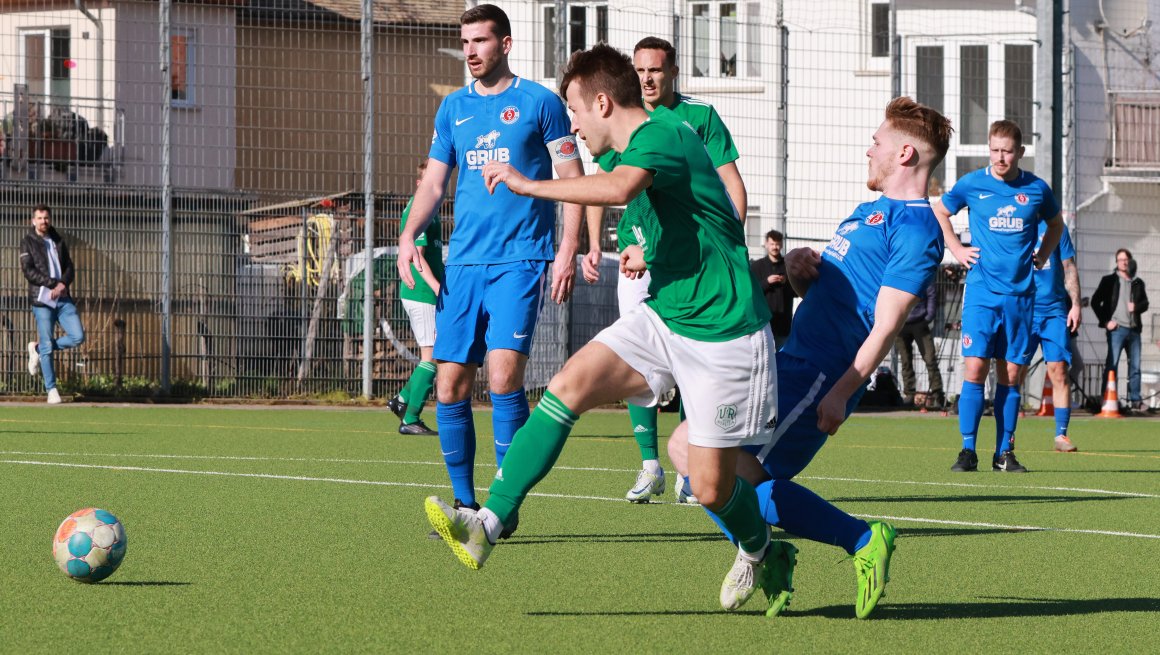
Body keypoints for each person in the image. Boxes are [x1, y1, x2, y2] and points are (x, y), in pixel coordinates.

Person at [426, 43, 781, 613]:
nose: (570, 123)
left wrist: (525, 184)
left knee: (712, 487)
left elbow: (615, 191)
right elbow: (617, 191)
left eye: (573, 110)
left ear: (600, 101)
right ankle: (487, 523)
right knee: (567, 386)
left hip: (725, 330)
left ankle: (760, 548)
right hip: (667, 314)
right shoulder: (630, 149)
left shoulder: (664, 133)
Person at [669, 96, 952, 619]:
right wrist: (801, 271)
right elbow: (831, 292)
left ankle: (854, 539)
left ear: (906, 154)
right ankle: (774, 547)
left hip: (820, 374)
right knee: (700, 461)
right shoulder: (868, 211)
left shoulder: (916, 228)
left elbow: (886, 323)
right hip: (789, 360)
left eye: (878, 142)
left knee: (699, 456)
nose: (869, 149)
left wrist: (843, 391)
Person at [396, 4, 584, 536]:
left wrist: (568, 247)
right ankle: (464, 506)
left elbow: (572, 177)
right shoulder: (452, 109)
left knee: (504, 377)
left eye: (480, 41)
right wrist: (409, 234)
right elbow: (433, 184)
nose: (471, 52)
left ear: (505, 43)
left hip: (521, 260)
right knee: (450, 386)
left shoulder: (539, 103)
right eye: (466, 43)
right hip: (464, 263)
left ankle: (503, 502)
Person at [583, 36, 749, 505]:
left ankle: (690, 471)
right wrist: (595, 244)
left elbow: (733, 186)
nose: (647, 78)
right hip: (637, 256)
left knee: (692, 361)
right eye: (639, 70)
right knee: (638, 360)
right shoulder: (623, 118)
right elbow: (604, 184)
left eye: (655, 70)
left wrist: (727, 245)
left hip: (690, 259)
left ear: (673, 72)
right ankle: (649, 465)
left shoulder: (698, 119)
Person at [934, 120, 1062, 474]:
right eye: (994, 150)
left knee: (1011, 374)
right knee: (975, 367)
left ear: (1020, 152)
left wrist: (1043, 253)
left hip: (1021, 297)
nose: (1000, 157)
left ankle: (1004, 452)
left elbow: (1056, 225)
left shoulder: (1036, 189)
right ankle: (967, 451)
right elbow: (940, 211)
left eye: (1007, 151)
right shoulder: (973, 184)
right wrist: (956, 248)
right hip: (981, 293)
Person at [387, 162, 443, 436]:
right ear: (420, 183)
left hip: (422, 293)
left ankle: (402, 400)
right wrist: (435, 286)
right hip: (420, 292)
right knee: (431, 357)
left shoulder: (430, 210)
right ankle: (410, 418)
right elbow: (416, 254)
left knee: (433, 353)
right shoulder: (417, 209)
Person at [20, 204, 85, 405]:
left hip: (63, 298)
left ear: (50, 219)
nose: (43, 221)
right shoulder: (27, 242)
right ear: (33, 221)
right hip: (42, 300)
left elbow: (69, 267)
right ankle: (51, 389)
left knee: (78, 336)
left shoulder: (58, 239)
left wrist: (63, 283)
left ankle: (37, 349)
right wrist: (52, 284)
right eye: (39, 218)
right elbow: (28, 271)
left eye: (46, 218)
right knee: (48, 343)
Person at [1031, 221, 1082, 449]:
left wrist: (1076, 305)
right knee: (1014, 372)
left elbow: (1068, 265)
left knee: (1059, 370)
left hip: (1054, 310)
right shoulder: (1015, 223)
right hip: (1023, 307)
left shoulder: (1056, 227)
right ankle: (1006, 439)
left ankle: (1061, 435)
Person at [1091, 248, 1150, 412]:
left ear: (1130, 261)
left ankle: (1136, 400)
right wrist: (1105, 321)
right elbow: (1095, 302)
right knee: (1112, 364)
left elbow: (1145, 304)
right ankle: (1107, 398)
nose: (1123, 262)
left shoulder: (1137, 282)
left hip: (1134, 330)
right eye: (1120, 260)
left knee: (1135, 367)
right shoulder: (1109, 280)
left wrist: (1136, 307)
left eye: (1126, 259)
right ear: (1117, 262)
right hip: (1116, 330)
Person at [892, 280, 944, 408]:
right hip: (901, 322)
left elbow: (931, 294)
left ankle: (938, 395)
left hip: (920, 322)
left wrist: (928, 317)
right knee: (905, 361)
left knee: (930, 359)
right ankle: (909, 394)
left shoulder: (922, 271)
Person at [751, 229, 796, 350]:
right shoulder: (757, 266)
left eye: (777, 244)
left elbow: (797, 292)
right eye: (772, 244)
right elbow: (751, 292)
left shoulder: (788, 266)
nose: (775, 247)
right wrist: (767, 282)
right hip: (764, 322)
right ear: (766, 244)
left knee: (782, 358)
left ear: (781, 244)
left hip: (783, 323)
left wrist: (786, 282)